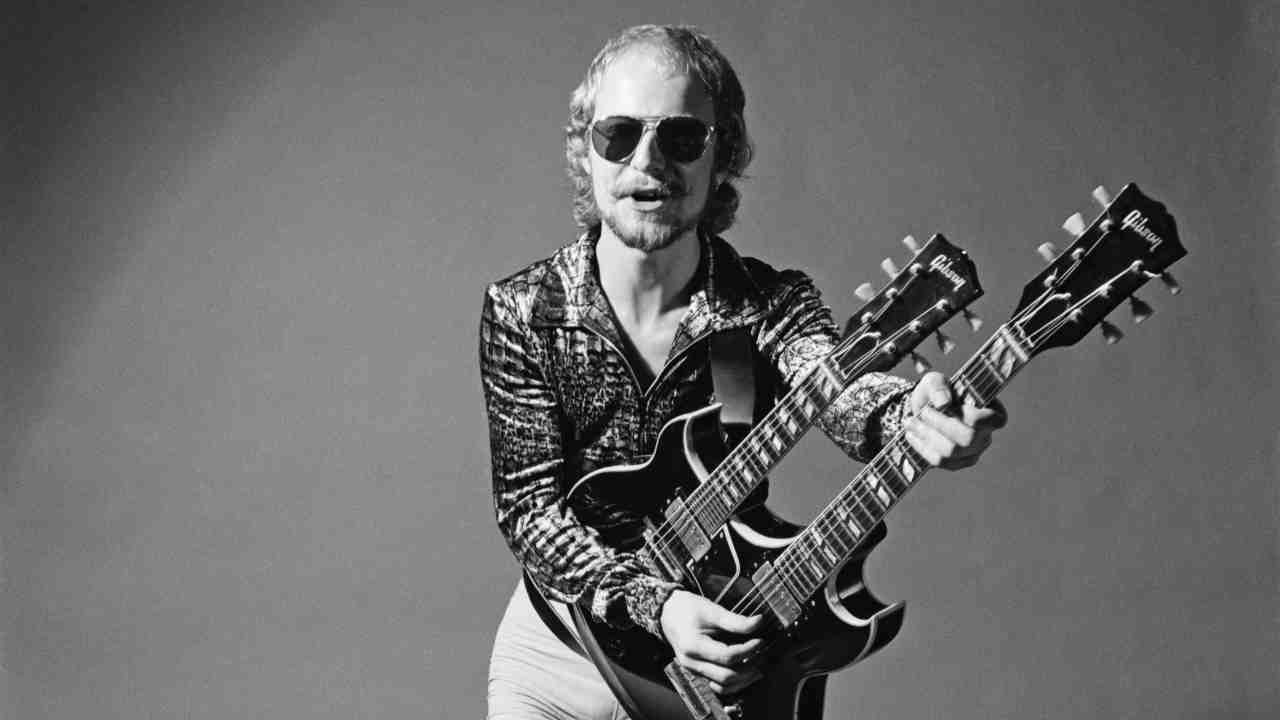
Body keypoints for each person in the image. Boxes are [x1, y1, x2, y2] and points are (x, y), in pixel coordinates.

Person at [479, 24, 1006, 720]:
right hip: (561, 645)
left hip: (716, 660)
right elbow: (531, 512)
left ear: (720, 154)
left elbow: (836, 388)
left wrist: (913, 417)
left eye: (681, 137)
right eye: (619, 134)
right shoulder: (524, 310)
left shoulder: (768, 304)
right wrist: (657, 605)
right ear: (585, 149)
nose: (648, 161)